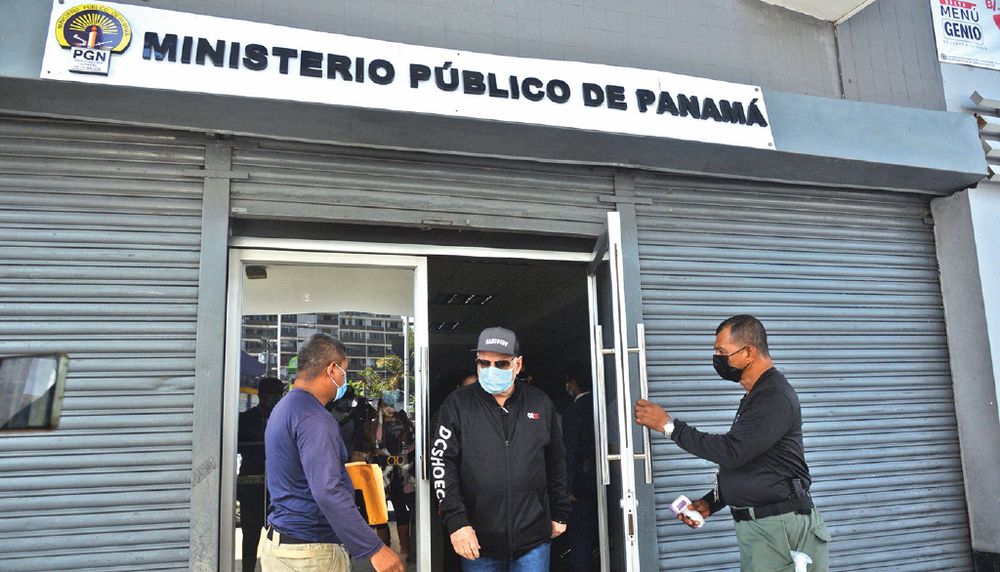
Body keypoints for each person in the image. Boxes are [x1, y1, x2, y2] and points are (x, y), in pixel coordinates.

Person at [634, 315, 830, 572]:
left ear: (749, 352)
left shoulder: (773, 397)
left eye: (722, 352)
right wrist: (711, 502)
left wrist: (669, 427)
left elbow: (732, 452)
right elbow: (753, 462)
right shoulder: (756, 396)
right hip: (764, 531)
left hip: (782, 531)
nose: (717, 359)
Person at [262, 333, 404, 572]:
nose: (344, 379)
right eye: (344, 371)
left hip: (281, 545)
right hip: (310, 554)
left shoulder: (284, 408)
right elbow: (328, 490)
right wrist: (374, 549)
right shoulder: (315, 419)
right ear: (331, 370)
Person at [434, 326, 571, 572]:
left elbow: (556, 461)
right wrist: (456, 521)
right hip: (477, 540)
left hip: (533, 540)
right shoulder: (457, 405)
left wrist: (560, 512)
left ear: (518, 365)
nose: (491, 370)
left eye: (501, 364)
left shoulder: (540, 403)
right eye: (484, 363)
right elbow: (442, 463)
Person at [236, 376, 284, 572]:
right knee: (250, 537)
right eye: (271, 394)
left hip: (278, 489)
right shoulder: (245, 420)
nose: (275, 399)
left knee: (280, 538)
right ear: (261, 395)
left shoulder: (284, 420)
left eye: (278, 394)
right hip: (252, 488)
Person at [560, 365, 597, 572]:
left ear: (573, 383)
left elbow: (570, 451)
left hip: (582, 486)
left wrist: (568, 488)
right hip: (606, 483)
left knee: (580, 539)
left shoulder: (574, 411)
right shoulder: (604, 405)